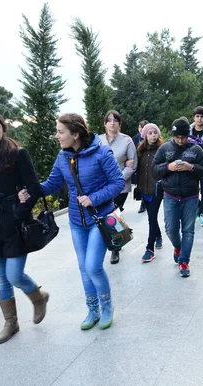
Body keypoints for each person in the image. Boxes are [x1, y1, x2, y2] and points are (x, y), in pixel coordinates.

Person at [19, 113, 124, 330]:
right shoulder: (63, 157)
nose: (56, 136)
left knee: (93, 266)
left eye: (60, 131)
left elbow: (118, 182)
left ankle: (106, 306)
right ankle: (92, 309)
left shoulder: (102, 152)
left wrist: (93, 198)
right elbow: (52, 184)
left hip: (101, 217)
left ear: (75, 134)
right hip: (77, 221)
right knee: (83, 268)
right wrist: (30, 191)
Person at [0, 111, 48, 344]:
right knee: (1, 278)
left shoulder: (18, 154)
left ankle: (37, 297)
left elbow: (34, 188)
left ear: (3, 129)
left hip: (15, 222)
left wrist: (20, 211)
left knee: (14, 274)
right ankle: (11, 322)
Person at [152, 118, 203, 277]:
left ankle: (184, 261)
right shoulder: (164, 149)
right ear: (173, 135)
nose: (180, 140)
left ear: (188, 135)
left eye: (183, 137)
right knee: (170, 229)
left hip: (190, 196)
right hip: (170, 195)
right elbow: (154, 169)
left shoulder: (196, 149)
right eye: (177, 137)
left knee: (188, 230)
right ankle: (178, 248)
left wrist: (190, 167)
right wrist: (168, 167)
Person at [100, 110, 137, 264]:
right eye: (109, 120)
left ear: (120, 124)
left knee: (113, 214)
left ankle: (115, 249)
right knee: (110, 215)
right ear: (105, 123)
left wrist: (118, 179)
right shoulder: (98, 140)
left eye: (115, 120)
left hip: (120, 185)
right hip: (101, 186)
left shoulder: (127, 140)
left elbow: (132, 163)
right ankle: (120, 236)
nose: (112, 123)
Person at [136, 123, 165, 262]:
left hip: (157, 190)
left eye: (155, 132)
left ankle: (149, 248)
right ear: (145, 135)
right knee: (151, 217)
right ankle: (158, 236)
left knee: (151, 218)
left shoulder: (162, 149)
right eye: (150, 133)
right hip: (144, 189)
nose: (153, 135)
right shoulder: (140, 150)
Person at [132, 120, 149, 214]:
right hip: (138, 164)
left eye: (143, 127)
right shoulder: (134, 139)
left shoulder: (151, 138)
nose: (141, 129)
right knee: (140, 184)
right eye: (139, 127)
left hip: (147, 165)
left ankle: (144, 203)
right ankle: (143, 201)